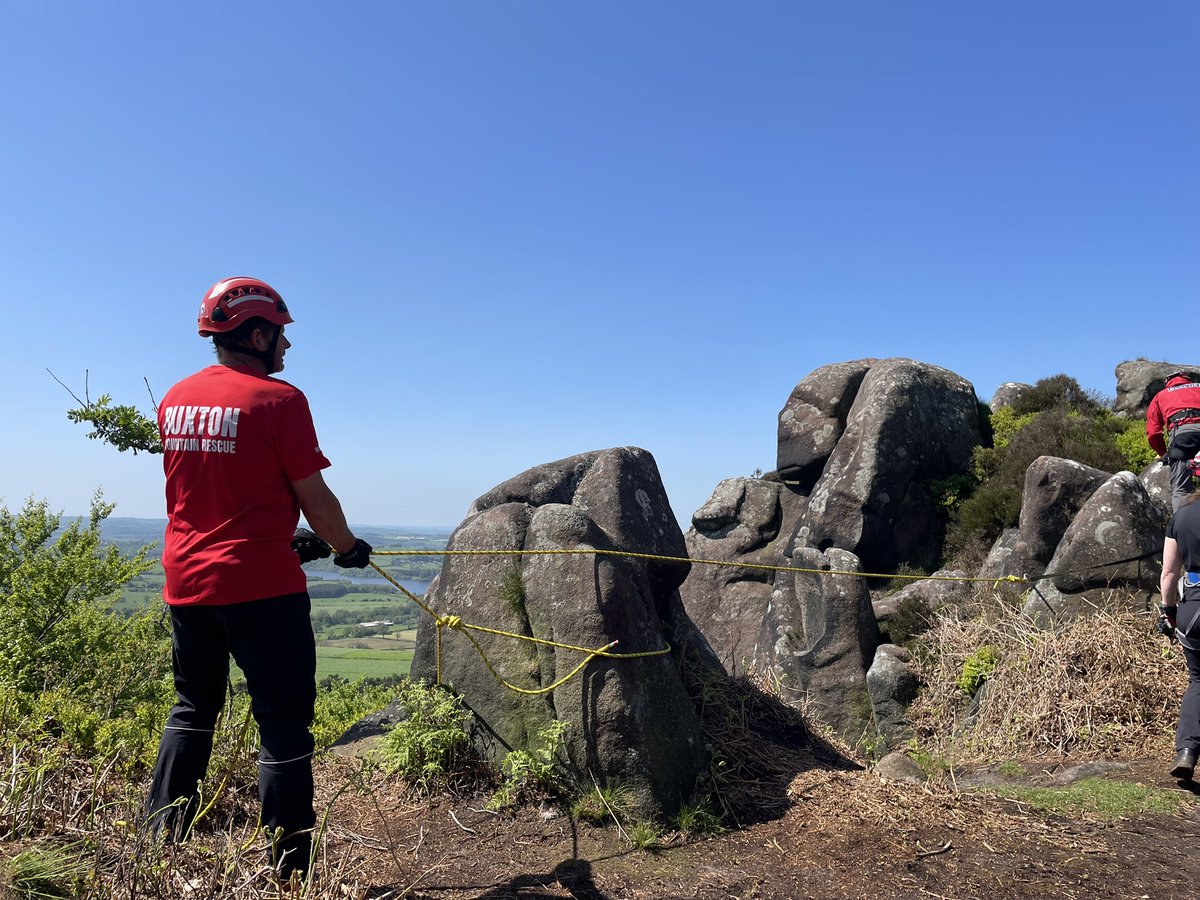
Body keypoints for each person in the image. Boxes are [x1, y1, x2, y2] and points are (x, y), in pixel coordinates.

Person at [146, 276, 372, 880]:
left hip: (187, 582)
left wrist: (282, 533)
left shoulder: (175, 399)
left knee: (192, 708)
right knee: (283, 721)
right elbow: (315, 498)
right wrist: (346, 548)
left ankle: (157, 846)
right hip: (262, 590)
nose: (287, 346)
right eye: (280, 334)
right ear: (254, 335)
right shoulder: (279, 401)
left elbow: (218, 490)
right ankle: (290, 870)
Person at [1146, 370, 1200, 512]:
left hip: (1183, 437)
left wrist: (1164, 453)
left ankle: (1183, 525)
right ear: (1188, 379)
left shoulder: (1161, 395)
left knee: (1181, 490)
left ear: (1167, 382)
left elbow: (1153, 433)